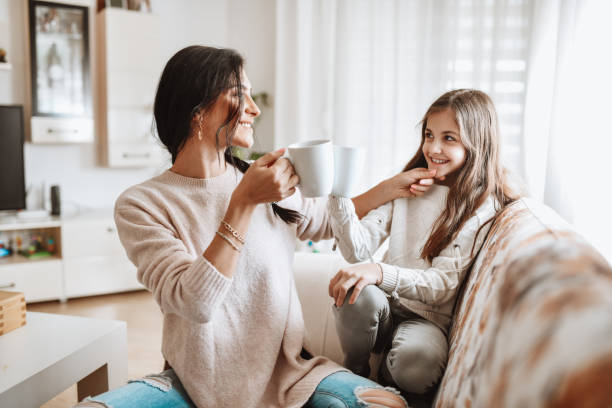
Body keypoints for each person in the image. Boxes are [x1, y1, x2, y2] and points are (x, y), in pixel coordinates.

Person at [97, 45, 438, 408]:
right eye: (239, 94)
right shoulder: (142, 204)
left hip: (292, 375)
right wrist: (243, 203)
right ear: (197, 112)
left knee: (387, 406)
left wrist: (391, 187)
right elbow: (195, 303)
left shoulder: (259, 177)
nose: (254, 108)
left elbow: (324, 220)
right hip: (194, 383)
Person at [327, 89, 520, 396]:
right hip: (385, 305)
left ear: (478, 141)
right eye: (429, 135)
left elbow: (441, 285)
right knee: (356, 290)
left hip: (427, 318)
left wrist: (379, 272)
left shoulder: (483, 206)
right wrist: (337, 192)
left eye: (449, 138)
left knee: (419, 364)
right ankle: (357, 372)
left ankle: (385, 379)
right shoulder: (412, 183)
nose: (433, 147)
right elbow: (357, 251)